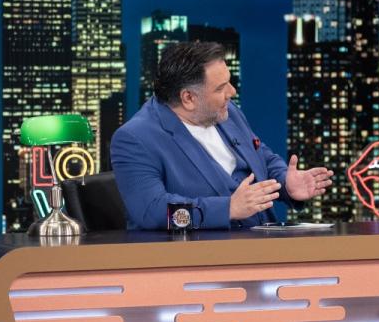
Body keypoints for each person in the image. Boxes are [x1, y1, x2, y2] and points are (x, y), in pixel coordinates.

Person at [111, 41, 333, 230]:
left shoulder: (226, 111)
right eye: (220, 88)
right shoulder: (135, 139)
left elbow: (262, 157)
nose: (232, 92)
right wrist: (228, 209)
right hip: (203, 257)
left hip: (266, 244)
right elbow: (153, 211)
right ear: (188, 98)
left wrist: (286, 184)